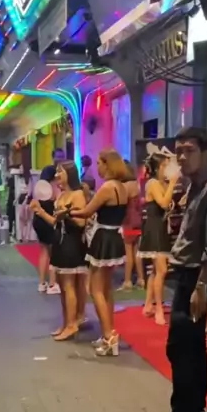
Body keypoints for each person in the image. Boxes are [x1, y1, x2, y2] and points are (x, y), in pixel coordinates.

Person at [144, 127, 207, 412]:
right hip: (187, 274)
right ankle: (195, 411)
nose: (181, 156)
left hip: (197, 277)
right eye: (178, 150)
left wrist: (201, 286)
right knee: (192, 346)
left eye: (189, 150)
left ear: (206, 153)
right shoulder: (194, 185)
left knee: (180, 347)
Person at [72, 149, 128, 357]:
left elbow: (87, 211)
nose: (97, 166)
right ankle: (109, 332)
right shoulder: (122, 187)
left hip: (103, 237)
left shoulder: (107, 187)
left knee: (95, 289)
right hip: (114, 237)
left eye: (99, 162)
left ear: (107, 164)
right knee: (106, 289)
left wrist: (67, 212)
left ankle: (108, 336)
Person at [31, 161, 88, 341]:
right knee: (63, 287)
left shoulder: (78, 195)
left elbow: (82, 222)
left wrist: (67, 215)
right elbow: (56, 222)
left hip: (72, 244)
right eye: (56, 172)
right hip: (59, 242)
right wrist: (40, 211)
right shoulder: (62, 195)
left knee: (69, 285)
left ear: (69, 174)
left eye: (60, 172)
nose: (57, 176)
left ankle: (72, 324)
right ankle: (66, 322)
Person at [138, 154, 179, 325]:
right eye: (165, 165)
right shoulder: (153, 183)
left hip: (161, 228)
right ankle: (159, 309)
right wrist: (173, 183)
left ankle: (148, 305)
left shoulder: (163, 184)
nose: (168, 169)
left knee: (156, 271)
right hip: (154, 229)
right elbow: (163, 203)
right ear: (158, 168)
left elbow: (168, 206)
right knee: (161, 270)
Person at [31, 165, 61, 295]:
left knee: (43, 251)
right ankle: (53, 284)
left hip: (38, 221)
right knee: (54, 252)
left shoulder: (39, 187)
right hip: (49, 221)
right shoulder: (54, 188)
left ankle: (42, 283)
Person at [119, 161, 143, 290]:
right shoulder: (136, 184)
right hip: (137, 220)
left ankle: (127, 281)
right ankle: (141, 279)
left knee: (128, 252)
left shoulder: (125, 187)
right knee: (136, 252)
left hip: (128, 221)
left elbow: (121, 203)